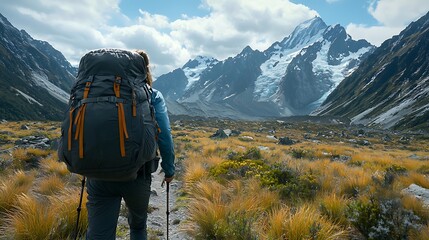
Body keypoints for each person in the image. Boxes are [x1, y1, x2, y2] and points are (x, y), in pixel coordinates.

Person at [85, 50, 175, 240]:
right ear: (145, 70)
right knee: (138, 227)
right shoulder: (152, 95)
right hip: (138, 175)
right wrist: (169, 170)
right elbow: (165, 135)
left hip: (99, 174)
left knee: (99, 232)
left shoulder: (93, 89)